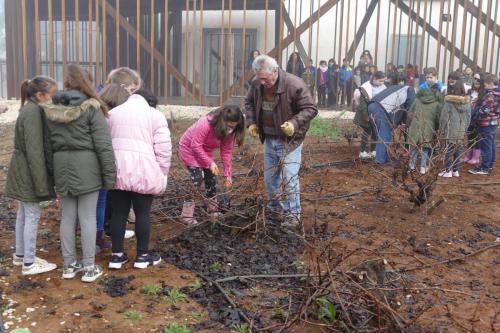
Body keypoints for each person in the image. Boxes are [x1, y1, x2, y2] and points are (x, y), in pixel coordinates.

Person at [42, 64, 116, 282]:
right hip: (88, 167)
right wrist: (109, 175)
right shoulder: (92, 107)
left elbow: (47, 146)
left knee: (67, 217)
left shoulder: (51, 109)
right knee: (87, 217)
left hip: (61, 165)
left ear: (65, 83)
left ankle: (68, 265)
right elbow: (103, 145)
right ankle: (89, 268)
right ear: (87, 83)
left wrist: (51, 172)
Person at [245, 55, 318, 229]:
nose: (262, 82)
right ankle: (275, 209)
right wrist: (252, 122)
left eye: (264, 78)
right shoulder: (257, 84)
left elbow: (311, 108)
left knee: (290, 178)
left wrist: (294, 123)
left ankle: (294, 215)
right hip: (269, 139)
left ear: (275, 71)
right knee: (270, 178)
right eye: (259, 78)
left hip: (289, 141)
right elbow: (249, 102)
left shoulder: (295, 84)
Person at [107, 87, 171, 270]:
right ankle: (142, 256)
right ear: (150, 101)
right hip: (144, 171)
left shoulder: (113, 113)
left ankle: (116, 256)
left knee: (119, 213)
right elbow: (163, 148)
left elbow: (105, 143)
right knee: (143, 213)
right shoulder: (155, 115)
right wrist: (162, 172)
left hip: (117, 170)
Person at [5, 76, 58, 275]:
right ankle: (29, 263)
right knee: (32, 215)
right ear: (40, 95)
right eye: (51, 95)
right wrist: (41, 184)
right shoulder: (34, 112)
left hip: (21, 168)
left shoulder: (29, 108)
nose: (52, 99)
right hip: (28, 171)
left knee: (23, 214)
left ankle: (20, 256)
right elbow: (35, 151)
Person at [179, 105, 245, 225]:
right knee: (197, 178)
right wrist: (210, 162)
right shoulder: (205, 123)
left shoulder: (230, 131)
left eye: (233, 127)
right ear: (222, 121)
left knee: (211, 178)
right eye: (229, 126)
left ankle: (213, 210)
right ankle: (186, 215)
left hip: (205, 151)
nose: (230, 130)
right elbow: (195, 145)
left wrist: (227, 174)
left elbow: (226, 152)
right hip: (189, 149)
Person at [368, 73, 416, 165]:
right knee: (384, 134)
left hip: (372, 105)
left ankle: (382, 157)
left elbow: (400, 108)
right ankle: (381, 160)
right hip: (381, 108)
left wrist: (399, 122)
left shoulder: (398, 88)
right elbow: (409, 108)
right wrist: (406, 123)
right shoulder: (410, 90)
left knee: (382, 133)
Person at [438, 79, 471, 178]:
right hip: (461, 130)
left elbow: (444, 117)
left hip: (450, 129)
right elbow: (469, 117)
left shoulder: (449, 103)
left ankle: (448, 170)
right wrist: (464, 128)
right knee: (457, 150)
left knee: (449, 150)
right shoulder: (467, 103)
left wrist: (441, 129)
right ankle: (455, 171)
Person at [468, 74, 500, 175]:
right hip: (493, 122)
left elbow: (485, 110)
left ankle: (484, 168)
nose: (484, 87)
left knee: (486, 145)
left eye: (485, 85)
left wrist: (477, 115)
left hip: (485, 123)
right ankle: (489, 164)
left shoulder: (489, 95)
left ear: (490, 83)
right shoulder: (497, 93)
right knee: (491, 144)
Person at [406, 86, 442, 174]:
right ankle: (422, 167)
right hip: (428, 127)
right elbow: (438, 119)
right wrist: (436, 128)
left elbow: (410, 114)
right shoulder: (437, 104)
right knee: (425, 148)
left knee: (414, 147)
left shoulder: (417, 100)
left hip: (415, 125)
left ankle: (411, 166)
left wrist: (408, 124)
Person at [353, 71, 387, 160]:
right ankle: (362, 151)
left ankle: (373, 150)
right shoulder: (365, 88)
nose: (382, 83)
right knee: (367, 131)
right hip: (366, 114)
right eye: (380, 81)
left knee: (376, 132)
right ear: (374, 79)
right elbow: (362, 105)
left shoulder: (383, 87)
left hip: (377, 114)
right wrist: (366, 117)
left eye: (383, 81)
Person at [464, 74, 482, 164]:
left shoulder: (483, 94)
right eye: (475, 80)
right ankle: (468, 155)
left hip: (477, 119)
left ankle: (476, 157)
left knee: (477, 137)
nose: (476, 82)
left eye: (478, 81)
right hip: (469, 117)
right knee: (470, 137)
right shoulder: (470, 92)